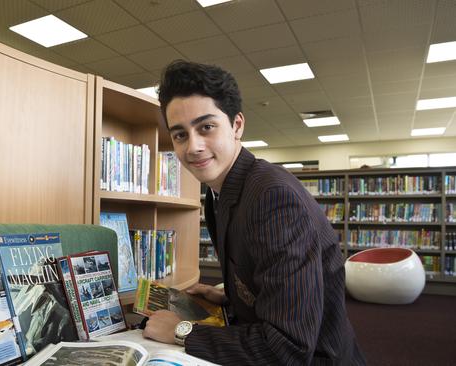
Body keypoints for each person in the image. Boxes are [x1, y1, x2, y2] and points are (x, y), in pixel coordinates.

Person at [142, 60, 366, 365]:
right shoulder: (219, 191)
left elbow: (287, 347)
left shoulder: (274, 199)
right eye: (180, 135)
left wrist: (184, 332)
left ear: (237, 125)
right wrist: (230, 297)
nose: (193, 146)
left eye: (206, 127)